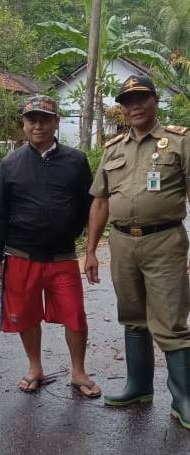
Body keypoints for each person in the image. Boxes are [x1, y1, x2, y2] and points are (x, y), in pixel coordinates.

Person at [86, 75, 190, 429]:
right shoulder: (113, 148)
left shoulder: (178, 141)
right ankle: (138, 387)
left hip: (164, 242)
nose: (135, 106)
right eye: (128, 101)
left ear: (154, 101)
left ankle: (184, 400)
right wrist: (89, 251)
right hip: (122, 243)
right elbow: (100, 202)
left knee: (172, 322)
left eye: (141, 98)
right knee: (132, 316)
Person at [0, 95, 101, 398]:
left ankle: (78, 371)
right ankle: (35, 367)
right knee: (25, 315)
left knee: (75, 314)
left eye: (45, 120)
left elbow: (89, 207)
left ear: (56, 123)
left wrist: (89, 248)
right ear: (24, 125)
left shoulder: (76, 161)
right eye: (32, 120)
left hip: (62, 256)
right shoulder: (10, 164)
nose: (38, 126)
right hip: (21, 256)